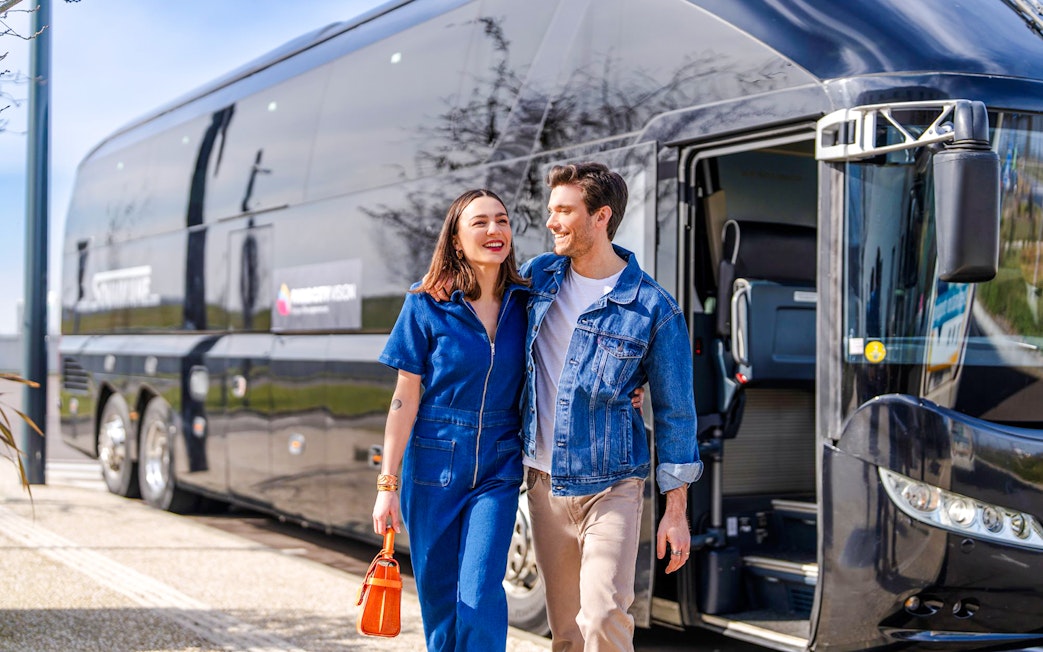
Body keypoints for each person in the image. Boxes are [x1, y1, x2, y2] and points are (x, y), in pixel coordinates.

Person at [521, 162, 702, 652]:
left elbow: (676, 414)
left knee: (603, 616)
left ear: (601, 217)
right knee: (566, 636)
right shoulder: (538, 279)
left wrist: (675, 510)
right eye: (551, 210)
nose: (552, 222)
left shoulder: (653, 308)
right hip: (543, 482)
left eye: (564, 211)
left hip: (613, 481)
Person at [371, 188, 530, 651]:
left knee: (478, 596)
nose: (495, 229)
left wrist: (627, 388)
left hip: (499, 465)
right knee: (441, 605)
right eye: (479, 222)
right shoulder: (425, 304)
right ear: (457, 240)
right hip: (434, 463)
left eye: (501, 219)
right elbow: (404, 399)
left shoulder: (528, 301)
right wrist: (388, 485)